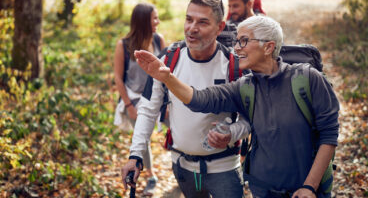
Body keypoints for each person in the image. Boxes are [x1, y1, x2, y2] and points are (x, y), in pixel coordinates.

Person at [134, 15, 339, 198]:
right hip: (262, 188)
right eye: (236, 41)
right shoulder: (245, 87)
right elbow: (200, 99)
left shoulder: (307, 79)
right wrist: (167, 78)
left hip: (306, 189)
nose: (236, 48)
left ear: (268, 47)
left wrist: (310, 187)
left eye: (243, 41)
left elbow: (329, 135)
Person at [121, 0, 250, 198]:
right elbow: (147, 110)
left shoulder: (234, 66)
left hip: (224, 168)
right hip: (183, 168)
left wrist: (232, 133)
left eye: (202, 22)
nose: (192, 28)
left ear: (219, 27)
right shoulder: (168, 61)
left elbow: (249, 119)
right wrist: (135, 155)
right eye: (189, 19)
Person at [113, 2, 166, 196]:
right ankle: (152, 176)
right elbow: (118, 77)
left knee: (177, 126)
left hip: (158, 96)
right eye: (154, 18)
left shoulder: (159, 41)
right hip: (135, 99)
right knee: (142, 139)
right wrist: (128, 105)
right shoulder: (124, 45)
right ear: (144, 21)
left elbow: (167, 72)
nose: (157, 22)